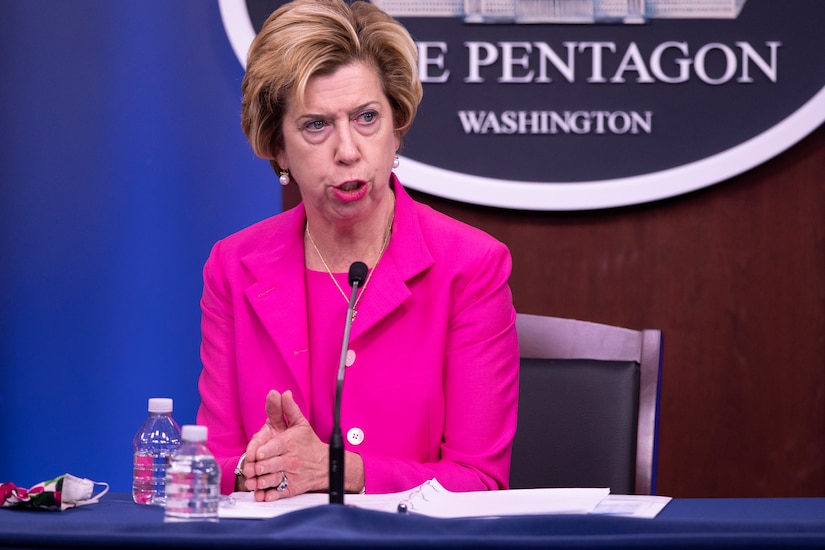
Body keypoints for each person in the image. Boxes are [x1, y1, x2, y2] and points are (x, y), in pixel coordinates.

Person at [196, 0, 519, 501]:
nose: (348, 149)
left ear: (396, 129)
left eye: (367, 117)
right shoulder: (234, 267)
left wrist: (337, 471)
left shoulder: (470, 266)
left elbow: (480, 482)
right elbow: (214, 464)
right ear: (277, 147)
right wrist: (255, 468)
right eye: (316, 125)